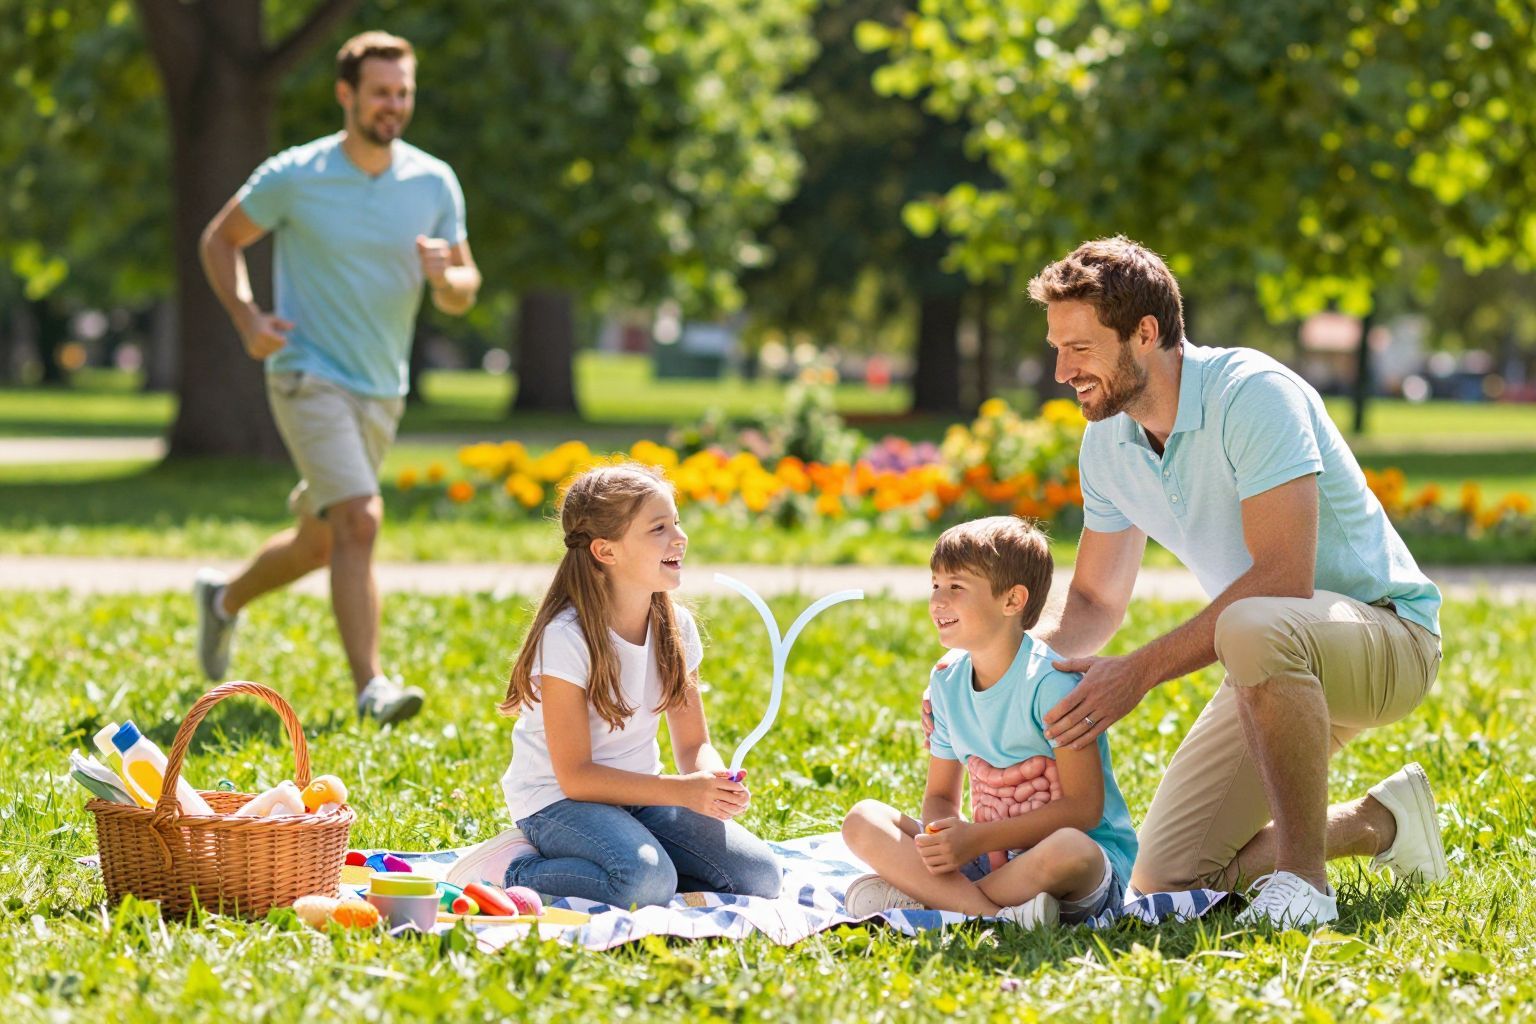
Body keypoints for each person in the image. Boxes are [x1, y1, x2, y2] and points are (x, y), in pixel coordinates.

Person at [1023, 236, 1446, 928]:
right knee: (1169, 878)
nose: (1062, 370)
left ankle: (1306, 886)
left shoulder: (1252, 395)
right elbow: (1096, 601)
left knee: (1248, 626)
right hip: (1271, 657)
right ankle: (1382, 824)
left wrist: (1139, 673)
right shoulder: (1108, 441)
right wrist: (992, 669)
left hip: (1387, 637)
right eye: (1056, 348)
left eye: (1081, 348)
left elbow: (1284, 576)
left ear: (1146, 333)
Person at [193, 31, 481, 725]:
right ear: (346, 94)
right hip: (306, 371)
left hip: (383, 385)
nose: (395, 105)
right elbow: (219, 240)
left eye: (404, 92)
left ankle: (223, 598)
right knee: (361, 517)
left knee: (324, 540)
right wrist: (248, 319)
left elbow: (464, 288)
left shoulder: (433, 181)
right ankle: (372, 687)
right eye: (381, 92)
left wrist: (450, 276)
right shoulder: (297, 174)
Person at [447, 463, 782, 908]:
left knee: (760, 876)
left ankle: (640, 858)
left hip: (642, 793)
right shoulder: (567, 636)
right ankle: (511, 868)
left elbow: (693, 743)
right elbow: (577, 777)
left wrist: (712, 776)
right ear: (606, 551)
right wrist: (682, 792)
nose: (679, 537)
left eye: (677, 522)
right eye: (658, 529)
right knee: (642, 883)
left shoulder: (675, 627)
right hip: (557, 802)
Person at [843, 517, 1137, 928]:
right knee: (862, 820)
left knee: (1072, 849)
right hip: (990, 866)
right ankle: (998, 915)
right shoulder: (946, 681)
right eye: (935, 585)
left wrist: (974, 840)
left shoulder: (1052, 685)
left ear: (1013, 600)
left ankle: (942, 903)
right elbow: (941, 797)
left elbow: (1085, 810)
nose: (938, 601)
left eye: (956, 587)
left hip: (1077, 870)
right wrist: (941, 838)